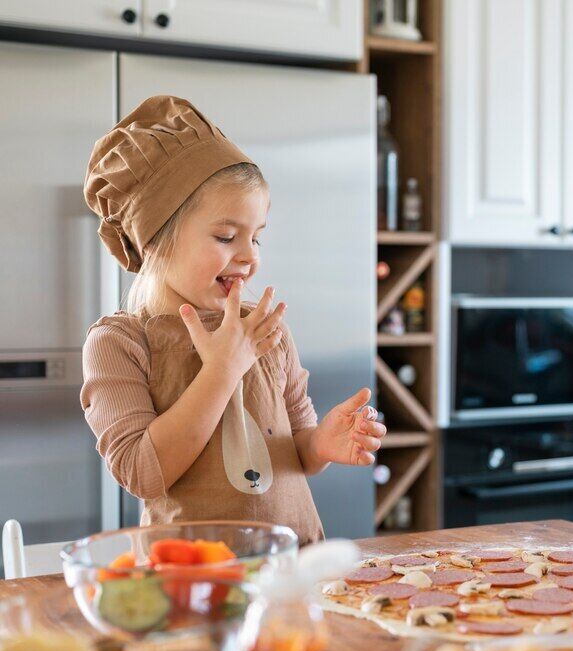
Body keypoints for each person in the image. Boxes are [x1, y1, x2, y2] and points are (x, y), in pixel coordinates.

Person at [81, 96, 385, 545]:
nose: (249, 258)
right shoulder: (120, 343)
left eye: (257, 238)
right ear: (155, 240)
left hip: (293, 569)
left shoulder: (267, 330)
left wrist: (321, 444)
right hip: (193, 585)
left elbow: (293, 449)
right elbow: (142, 472)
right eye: (226, 236)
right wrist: (223, 369)